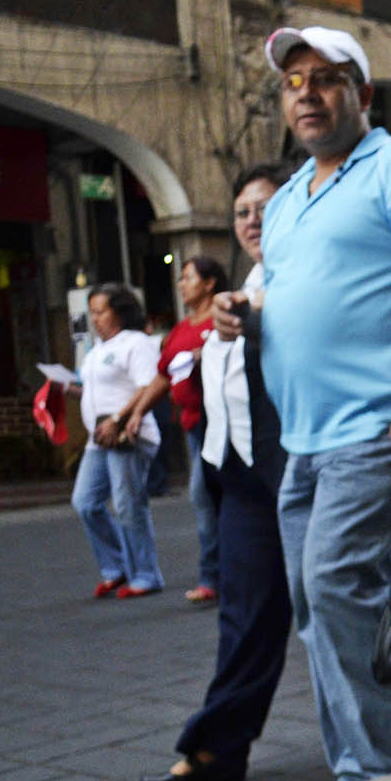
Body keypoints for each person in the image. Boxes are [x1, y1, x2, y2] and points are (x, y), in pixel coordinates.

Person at [234, 24, 391, 781]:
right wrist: (249, 316)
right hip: (300, 437)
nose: (307, 92)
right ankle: (357, 763)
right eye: (293, 81)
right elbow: (297, 297)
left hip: (375, 427)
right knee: (318, 599)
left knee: (338, 582)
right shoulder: (285, 202)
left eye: (327, 77)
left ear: (362, 94)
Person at [142, 164, 296, 781]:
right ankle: (217, 746)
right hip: (241, 476)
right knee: (245, 611)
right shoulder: (246, 288)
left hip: (306, 468)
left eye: (266, 208)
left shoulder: (310, 280)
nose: (252, 221)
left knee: (356, 603)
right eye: (242, 212)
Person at [128, 256, 227, 604]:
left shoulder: (224, 317)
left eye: (188, 277)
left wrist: (211, 354)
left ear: (210, 282)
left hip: (224, 423)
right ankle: (218, 576)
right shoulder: (181, 330)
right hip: (194, 426)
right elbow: (163, 375)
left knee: (207, 496)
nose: (181, 284)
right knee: (208, 499)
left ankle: (213, 577)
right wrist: (139, 410)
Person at [69, 283, 164, 596]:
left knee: (128, 505)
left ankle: (146, 575)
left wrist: (117, 419)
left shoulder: (136, 343)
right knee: (85, 502)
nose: (94, 319)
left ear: (120, 312)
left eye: (100, 311)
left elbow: (146, 386)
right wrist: (66, 389)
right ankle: (118, 566)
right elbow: (97, 393)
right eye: (91, 312)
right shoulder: (97, 350)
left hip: (128, 436)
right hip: (99, 439)